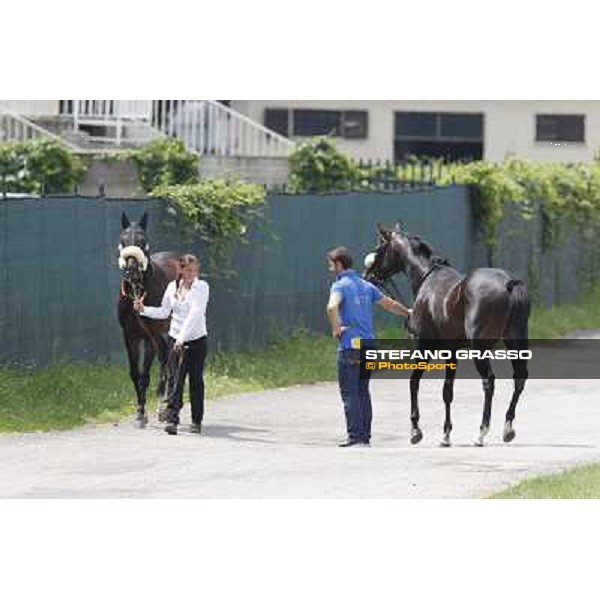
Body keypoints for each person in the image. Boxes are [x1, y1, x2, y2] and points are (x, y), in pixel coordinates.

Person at [326, 246, 411, 447]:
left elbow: (331, 307)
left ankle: (355, 437)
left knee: (350, 392)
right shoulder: (366, 285)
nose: (330, 269)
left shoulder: (339, 286)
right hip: (369, 345)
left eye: (331, 265)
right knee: (363, 391)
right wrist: (408, 312)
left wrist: (337, 329)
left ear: (339, 264)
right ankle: (365, 437)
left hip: (351, 346)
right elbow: (389, 304)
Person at [134, 254, 209, 435]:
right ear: (181, 270)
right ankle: (173, 420)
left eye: (195, 270)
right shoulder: (171, 288)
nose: (192, 274)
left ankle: (196, 421)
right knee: (175, 380)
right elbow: (164, 312)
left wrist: (182, 339)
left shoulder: (202, 287)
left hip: (196, 340)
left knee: (195, 381)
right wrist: (144, 310)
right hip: (175, 339)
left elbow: (195, 314)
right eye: (188, 270)